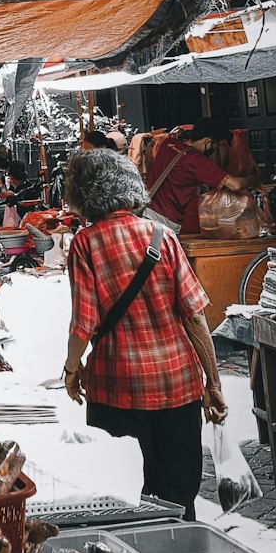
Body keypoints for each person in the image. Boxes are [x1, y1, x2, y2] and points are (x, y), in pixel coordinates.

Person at [62, 148, 227, 520]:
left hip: (117, 386)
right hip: (178, 383)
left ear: (81, 193)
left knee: (122, 492)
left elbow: (83, 324)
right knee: (177, 490)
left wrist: (72, 369)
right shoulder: (162, 236)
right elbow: (195, 317)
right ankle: (184, 552)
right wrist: (212, 382)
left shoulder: (85, 243)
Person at [144, 119, 253, 234]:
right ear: (208, 143)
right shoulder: (198, 161)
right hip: (165, 222)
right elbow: (235, 185)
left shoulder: (168, 144)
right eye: (214, 147)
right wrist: (253, 180)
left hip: (145, 213)